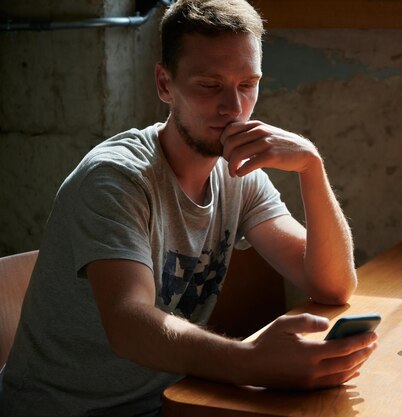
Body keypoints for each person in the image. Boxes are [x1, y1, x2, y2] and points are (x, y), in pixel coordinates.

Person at [0, 1, 378, 416]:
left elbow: (333, 285)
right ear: (165, 83)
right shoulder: (115, 178)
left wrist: (311, 165)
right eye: (209, 85)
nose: (233, 108)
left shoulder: (239, 175)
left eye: (247, 84)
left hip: (169, 402)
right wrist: (253, 361)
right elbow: (129, 326)